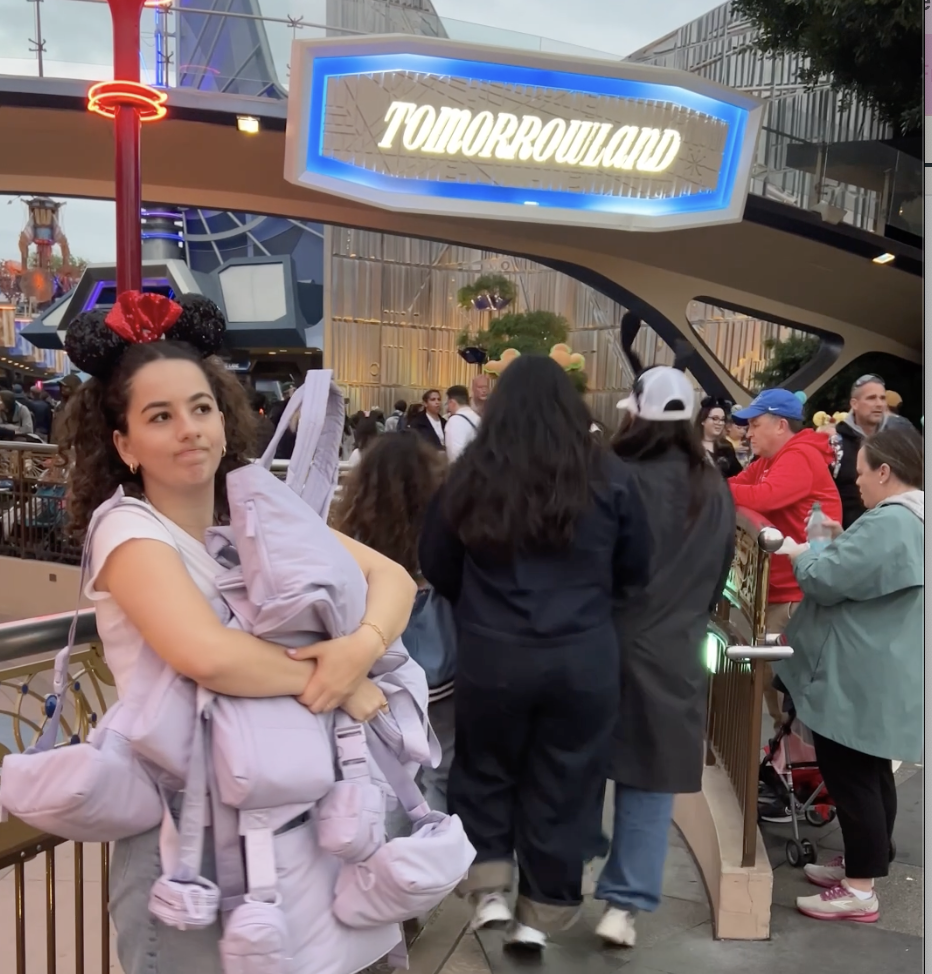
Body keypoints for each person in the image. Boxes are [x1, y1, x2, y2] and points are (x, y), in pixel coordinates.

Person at [61, 296, 417, 973]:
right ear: (123, 444)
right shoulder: (127, 529)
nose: (189, 430)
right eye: (159, 416)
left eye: (201, 408)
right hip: (186, 831)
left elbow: (392, 577)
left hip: (289, 812)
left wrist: (361, 648)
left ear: (224, 421)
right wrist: (340, 683)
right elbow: (207, 654)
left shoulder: (253, 512)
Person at [419, 355, 651, 950]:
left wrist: (478, 603)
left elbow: (437, 561)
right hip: (583, 655)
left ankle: (489, 888)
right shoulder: (609, 474)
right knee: (567, 778)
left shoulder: (470, 476)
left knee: (484, 767)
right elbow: (636, 567)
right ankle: (541, 915)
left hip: (492, 653)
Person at [593, 369, 736, 948]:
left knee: (573, 766)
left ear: (636, 414)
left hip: (599, 641)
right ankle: (623, 906)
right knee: (650, 782)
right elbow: (718, 577)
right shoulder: (713, 486)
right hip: (676, 649)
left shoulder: (610, 473)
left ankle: (553, 882)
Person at [775, 427, 923, 923]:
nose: (855, 482)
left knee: (851, 774)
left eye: (860, 473)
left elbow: (825, 579)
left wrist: (810, 549)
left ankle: (860, 889)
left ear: (885, 471)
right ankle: (866, 862)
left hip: (860, 669)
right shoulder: (914, 516)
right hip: (882, 666)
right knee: (873, 772)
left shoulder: (892, 521)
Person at [334, 434, 453, 812]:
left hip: (383, 670)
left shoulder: (352, 534)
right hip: (443, 671)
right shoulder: (447, 525)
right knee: (442, 770)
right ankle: (439, 835)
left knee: (390, 771)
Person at [727, 388, 842, 730]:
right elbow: (736, 485)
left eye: (755, 424)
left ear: (780, 425)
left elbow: (763, 497)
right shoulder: (770, 459)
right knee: (771, 683)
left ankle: (795, 757)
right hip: (779, 588)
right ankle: (785, 754)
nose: (748, 432)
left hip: (797, 592)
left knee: (785, 688)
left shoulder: (799, 454)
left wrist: (709, 488)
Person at [832, 375, 911, 529]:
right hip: (849, 533)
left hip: (894, 530)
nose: (879, 404)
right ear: (854, 404)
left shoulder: (898, 440)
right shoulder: (835, 443)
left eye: (882, 398)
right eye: (871, 398)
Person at [697, 397, 742, 478]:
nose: (720, 423)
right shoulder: (690, 446)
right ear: (703, 420)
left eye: (722, 419)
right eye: (715, 418)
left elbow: (739, 475)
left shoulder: (726, 447)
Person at [444, 385, 480, 463]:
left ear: (452, 402)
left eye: (447, 403)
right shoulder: (477, 417)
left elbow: (455, 454)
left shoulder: (455, 420)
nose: (448, 408)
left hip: (465, 468)